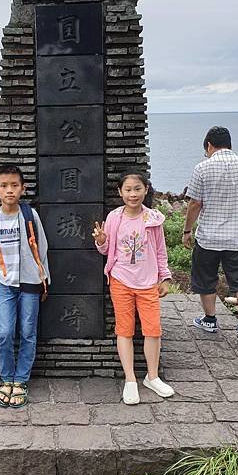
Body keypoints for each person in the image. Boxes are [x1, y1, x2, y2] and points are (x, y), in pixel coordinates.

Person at [93, 171, 174, 405]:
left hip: (148, 282)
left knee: (153, 330)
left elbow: (160, 251)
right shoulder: (114, 218)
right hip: (121, 280)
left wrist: (165, 277)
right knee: (124, 330)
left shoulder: (153, 219)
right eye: (127, 189)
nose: (133, 194)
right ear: (120, 192)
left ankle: (152, 376)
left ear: (146, 190)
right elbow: (107, 250)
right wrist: (100, 240)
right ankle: (130, 379)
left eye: (137, 188)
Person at [183, 126, 238, 344]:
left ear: (209, 145)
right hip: (237, 238)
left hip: (208, 237)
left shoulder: (202, 168)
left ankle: (209, 320)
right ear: (229, 144)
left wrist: (187, 230)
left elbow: (195, 204)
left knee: (206, 278)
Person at [0, 165, 50, 408]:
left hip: (30, 282)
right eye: (4, 186)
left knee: (28, 332)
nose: (9, 190)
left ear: (23, 188)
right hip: (4, 284)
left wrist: (44, 280)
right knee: (5, 332)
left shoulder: (30, 215)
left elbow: (42, 249)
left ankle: (20, 380)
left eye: (14, 185)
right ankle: (6, 377)